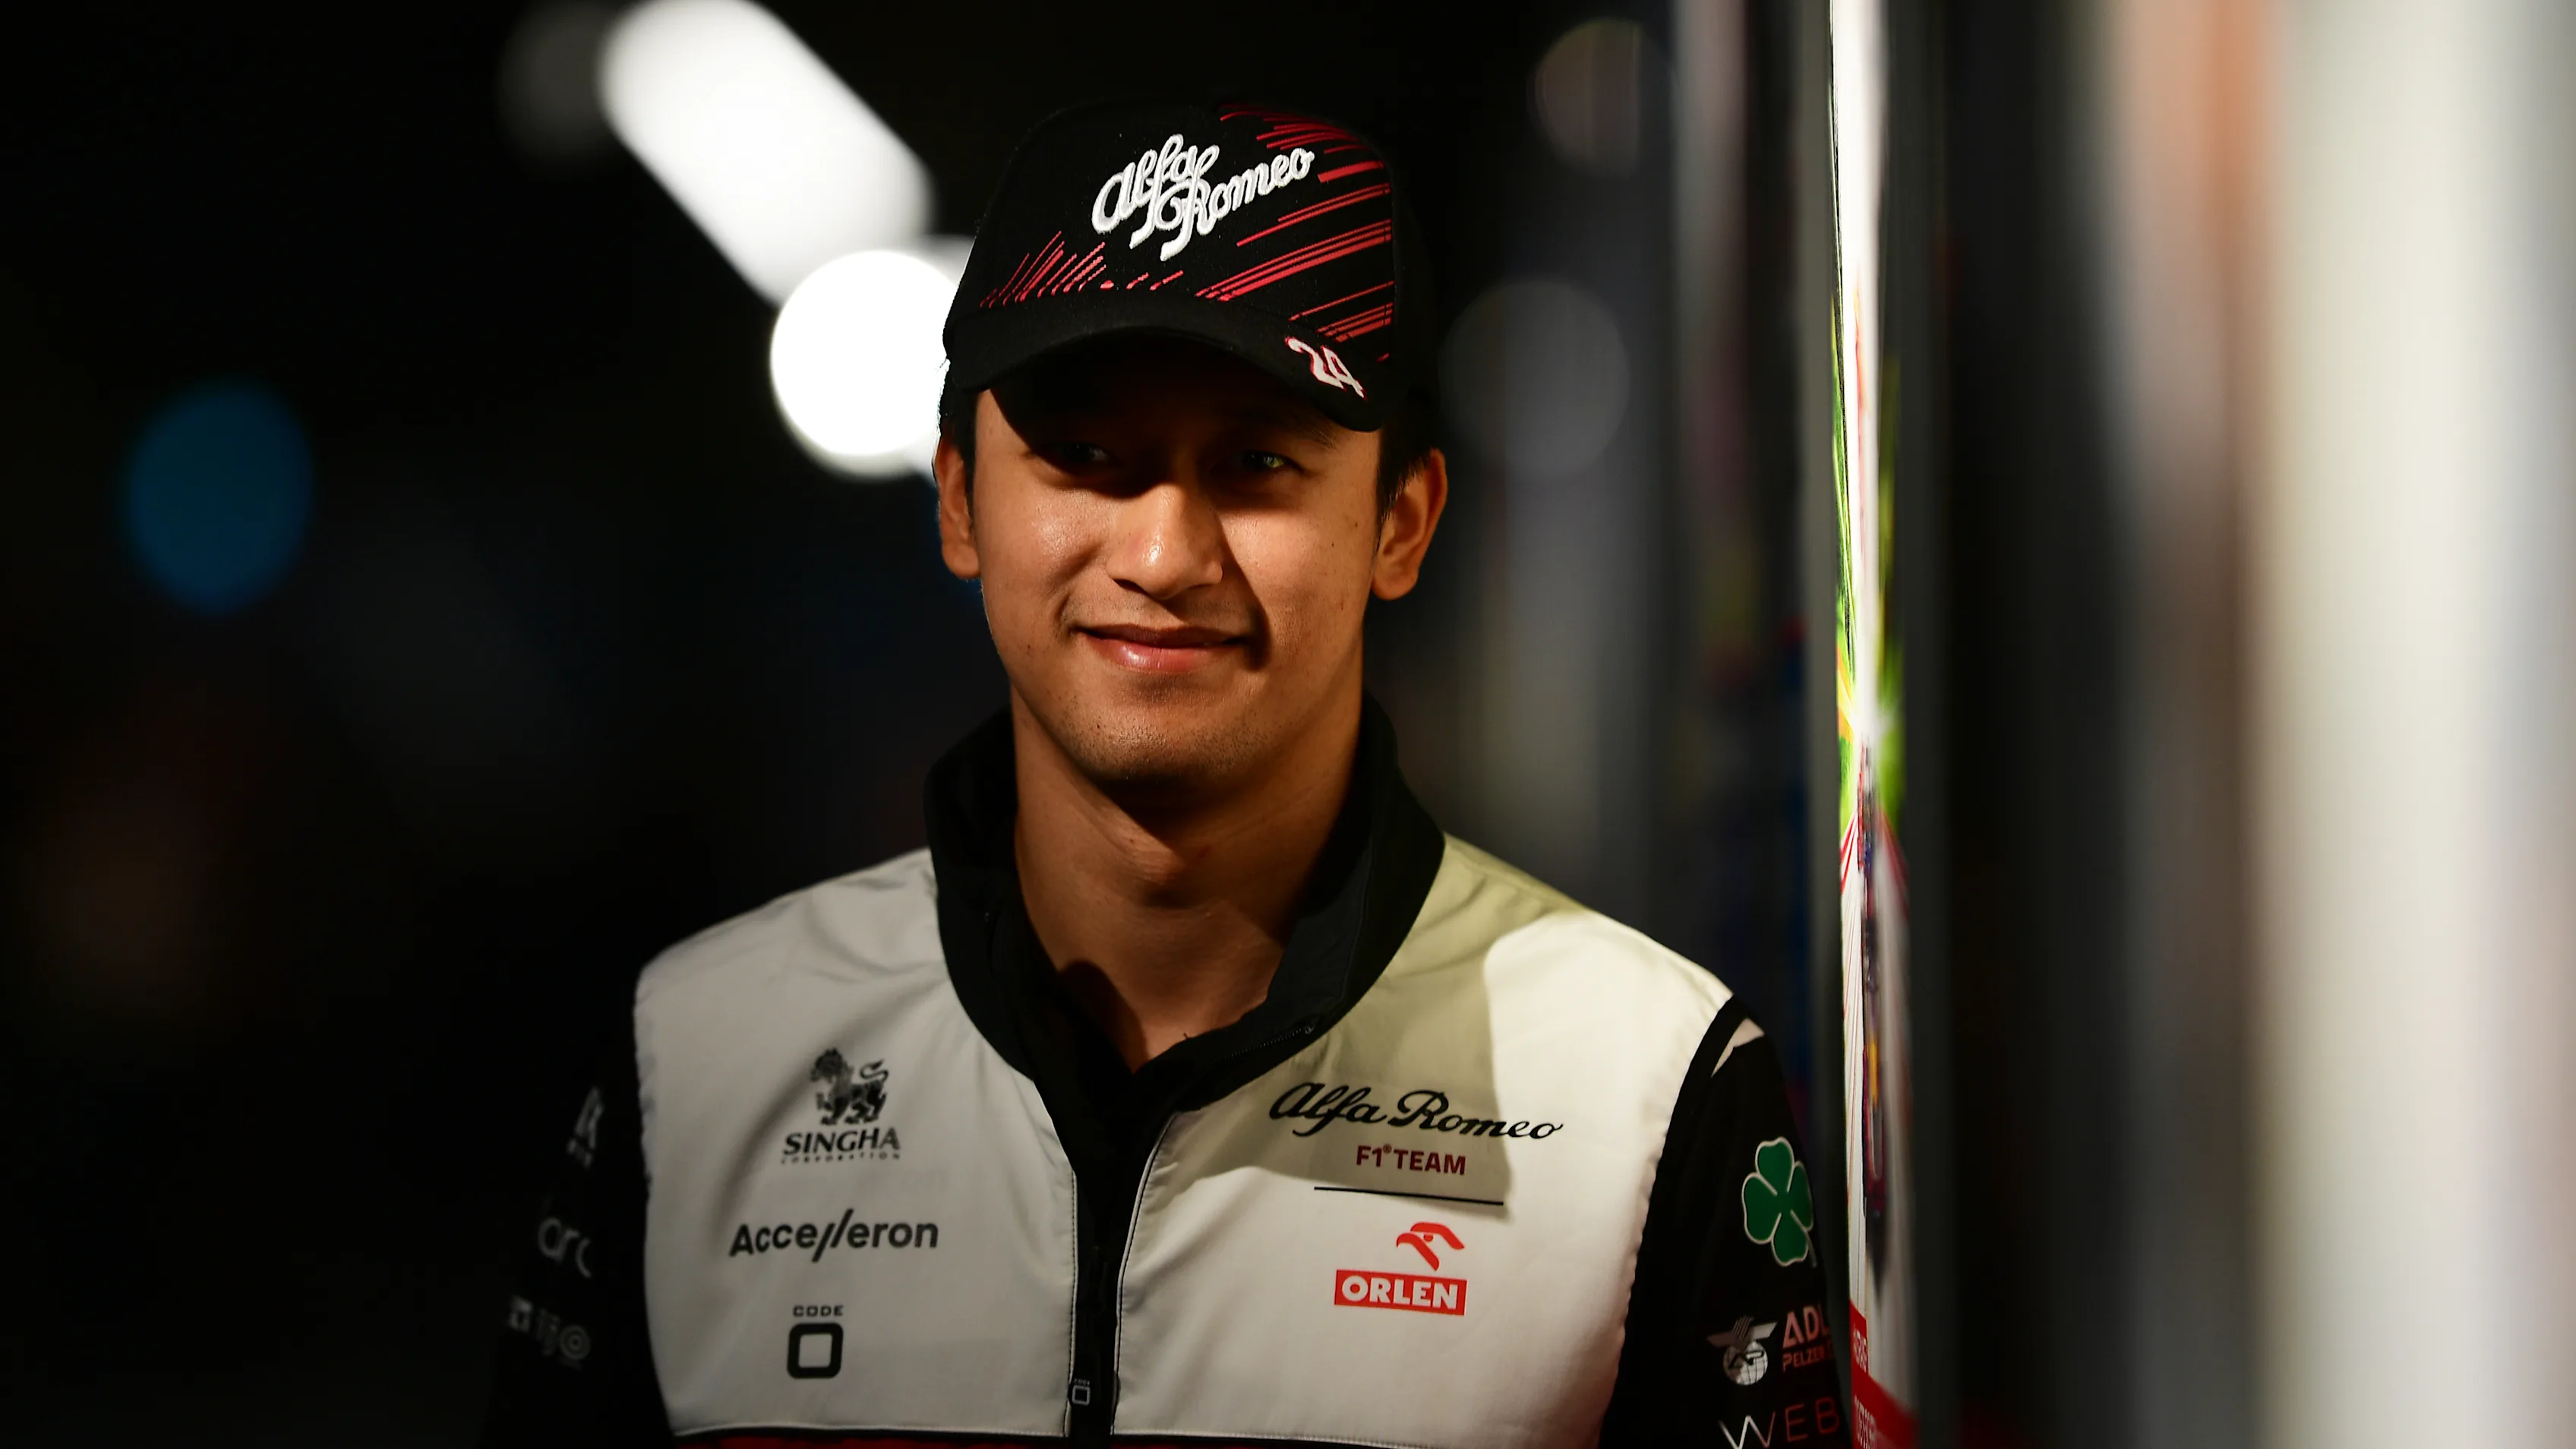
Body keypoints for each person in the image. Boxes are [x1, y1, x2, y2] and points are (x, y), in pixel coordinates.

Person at [482, 99, 1845, 1449]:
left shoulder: (1653, 1087)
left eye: (1256, 462)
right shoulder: (698, 1055)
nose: (1163, 555)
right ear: (960, 499)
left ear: (1401, 524)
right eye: (1084, 455)